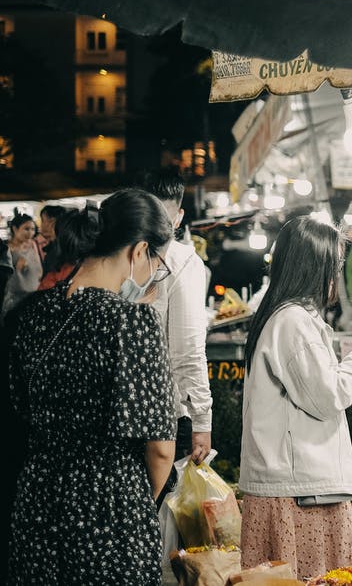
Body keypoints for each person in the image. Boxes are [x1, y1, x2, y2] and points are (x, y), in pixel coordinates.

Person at [6, 190, 176, 584]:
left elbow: (20, 411)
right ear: (139, 252)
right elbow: (161, 450)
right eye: (156, 262)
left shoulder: (31, 316)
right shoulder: (132, 322)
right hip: (109, 509)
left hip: (36, 506)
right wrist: (131, 505)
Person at [239, 217, 352, 579]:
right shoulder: (293, 321)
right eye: (334, 263)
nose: (336, 274)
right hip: (299, 492)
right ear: (314, 265)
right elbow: (329, 395)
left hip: (296, 487)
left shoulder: (287, 317)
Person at [139, 169, 213, 464]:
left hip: (117, 411)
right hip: (166, 414)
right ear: (179, 217)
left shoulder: (112, 256)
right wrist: (202, 422)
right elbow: (189, 351)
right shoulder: (183, 261)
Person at [2, 212, 41, 319]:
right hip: (15, 299)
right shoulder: (7, 249)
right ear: (15, 229)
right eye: (26, 229)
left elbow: (39, 270)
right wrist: (16, 268)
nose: (31, 233)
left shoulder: (33, 245)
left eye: (33, 229)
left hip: (33, 296)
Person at [36, 204, 67, 284]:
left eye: (43, 220)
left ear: (52, 221)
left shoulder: (59, 250)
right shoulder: (56, 245)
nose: (41, 225)